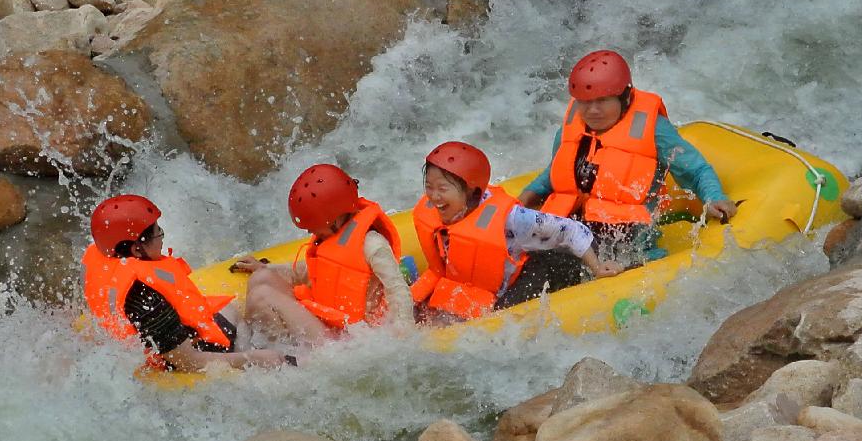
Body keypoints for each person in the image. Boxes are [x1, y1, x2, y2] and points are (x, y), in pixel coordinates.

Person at [518, 49, 738, 268]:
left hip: (626, 241)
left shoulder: (654, 131)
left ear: (624, 97)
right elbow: (555, 174)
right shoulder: (569, 131)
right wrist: (524, 199)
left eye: (602, 100)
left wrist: (714, 197)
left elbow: (696, 170)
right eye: (585, 102)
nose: (592, 110)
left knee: (550, 266)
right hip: (573, 231)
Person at [411, 141, 623, 319]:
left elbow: (570, 230)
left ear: (471, 191)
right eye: (429, 186)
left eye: (442, 189)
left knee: (501, 316)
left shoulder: (512, 219)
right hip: (486, 284)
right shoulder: (436, 211)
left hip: (534, 271)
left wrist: (597, 267)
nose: (434, 196)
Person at [82, 195, 295, 372]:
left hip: (151, 344)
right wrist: (252, 357)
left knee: (228, 310)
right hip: (176, 358)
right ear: (137, 249)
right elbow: (187, 361)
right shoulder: (147, 299)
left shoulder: (106, 258)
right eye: (159, 233)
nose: (162, 239)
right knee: (236, 317)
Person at [232, 164, 414, 344]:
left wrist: (401, 334)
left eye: (314, 227)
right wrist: (266, 268)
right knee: (261, 277)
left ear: (334, 217)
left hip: (349, 338)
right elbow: (315, 270)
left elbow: (397, 288)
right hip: (325, 321)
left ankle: (273, 353)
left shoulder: (372, 244)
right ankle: (263, 344)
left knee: (261, 295)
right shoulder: (331, 235)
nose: (311, 233)